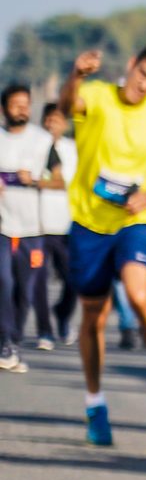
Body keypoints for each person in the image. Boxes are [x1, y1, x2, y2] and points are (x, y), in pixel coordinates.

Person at [59, 44, 146, 444]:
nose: (145, 85)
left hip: (135, 218)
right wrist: (76, 74)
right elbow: (67, 108)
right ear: (132, 65)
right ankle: (95, 403)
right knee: (94, 316)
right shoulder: (96, 95)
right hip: (88, 221)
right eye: (143, 74)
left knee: (138, 292)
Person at [0, 83, 55, 370]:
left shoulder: (42, 141)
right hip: (2, 225)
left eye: (26, 104)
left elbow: (60, 180)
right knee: (3, 281)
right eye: (16, 104)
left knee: (25, 290)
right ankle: (5, 342)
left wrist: (33, 180)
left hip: (32, 229)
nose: (22, 109)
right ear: (3, 109)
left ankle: (13, 343)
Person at [36, 104, 79, 347]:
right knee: (38, 281)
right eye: (48, 119)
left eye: (57, 120)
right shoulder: (33, 148)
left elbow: (74, 184)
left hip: (67, 225)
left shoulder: (74, 150)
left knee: (73, 279)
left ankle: (62, 314)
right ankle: (45, 330)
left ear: (65, 124)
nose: (52, 124)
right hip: (37, 226)